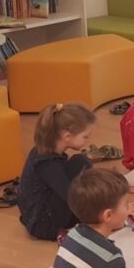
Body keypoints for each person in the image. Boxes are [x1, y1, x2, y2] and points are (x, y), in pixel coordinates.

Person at [17, 102, 95, 240]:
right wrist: (107, 213)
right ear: (67, 136)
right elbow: (72, 197)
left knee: (80, 162)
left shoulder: (44, 151)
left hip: (43, 210)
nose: (87, 141)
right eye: (85, 136)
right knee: (81, 165)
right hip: (44, 225)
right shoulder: (48, 165)